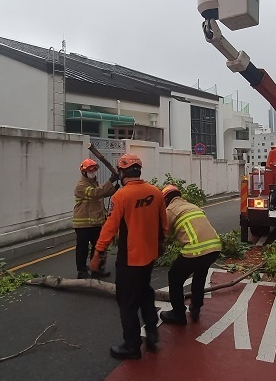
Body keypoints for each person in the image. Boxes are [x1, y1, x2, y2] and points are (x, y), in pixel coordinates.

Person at [90, 154, 167, 360]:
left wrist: (98, 253)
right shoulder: (156, 193)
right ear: (139, 171)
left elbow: (109, 228)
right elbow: (163, 224)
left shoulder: (121, 197)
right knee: (145, 293)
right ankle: (151, 332)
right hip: (149, 256)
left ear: (122, 172)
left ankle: (132, 346)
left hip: (129, 258)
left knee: (127, 302)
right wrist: (160, 246)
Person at [159, 185, 222, 326]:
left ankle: (178, 314)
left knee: (174, 276)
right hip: (214, 247)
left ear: (166, 199)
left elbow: (164, 234)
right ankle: (196, 307)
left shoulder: (170, 210)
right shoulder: (192, 206)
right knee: (200, 274)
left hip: (196, 249)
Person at [73, 158, 118, 279]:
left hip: (96, 222)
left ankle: (96, 269)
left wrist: (114, 189)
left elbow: (101, 193)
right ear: (83, 172)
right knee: (82, 248)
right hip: (83, 224)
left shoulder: (95, 184)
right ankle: (81, 271)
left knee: (98, 247)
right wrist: (110, 181)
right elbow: (95, 194)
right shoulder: (81, 186)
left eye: (94, 170)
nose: (93, 172)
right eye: (90, 170)